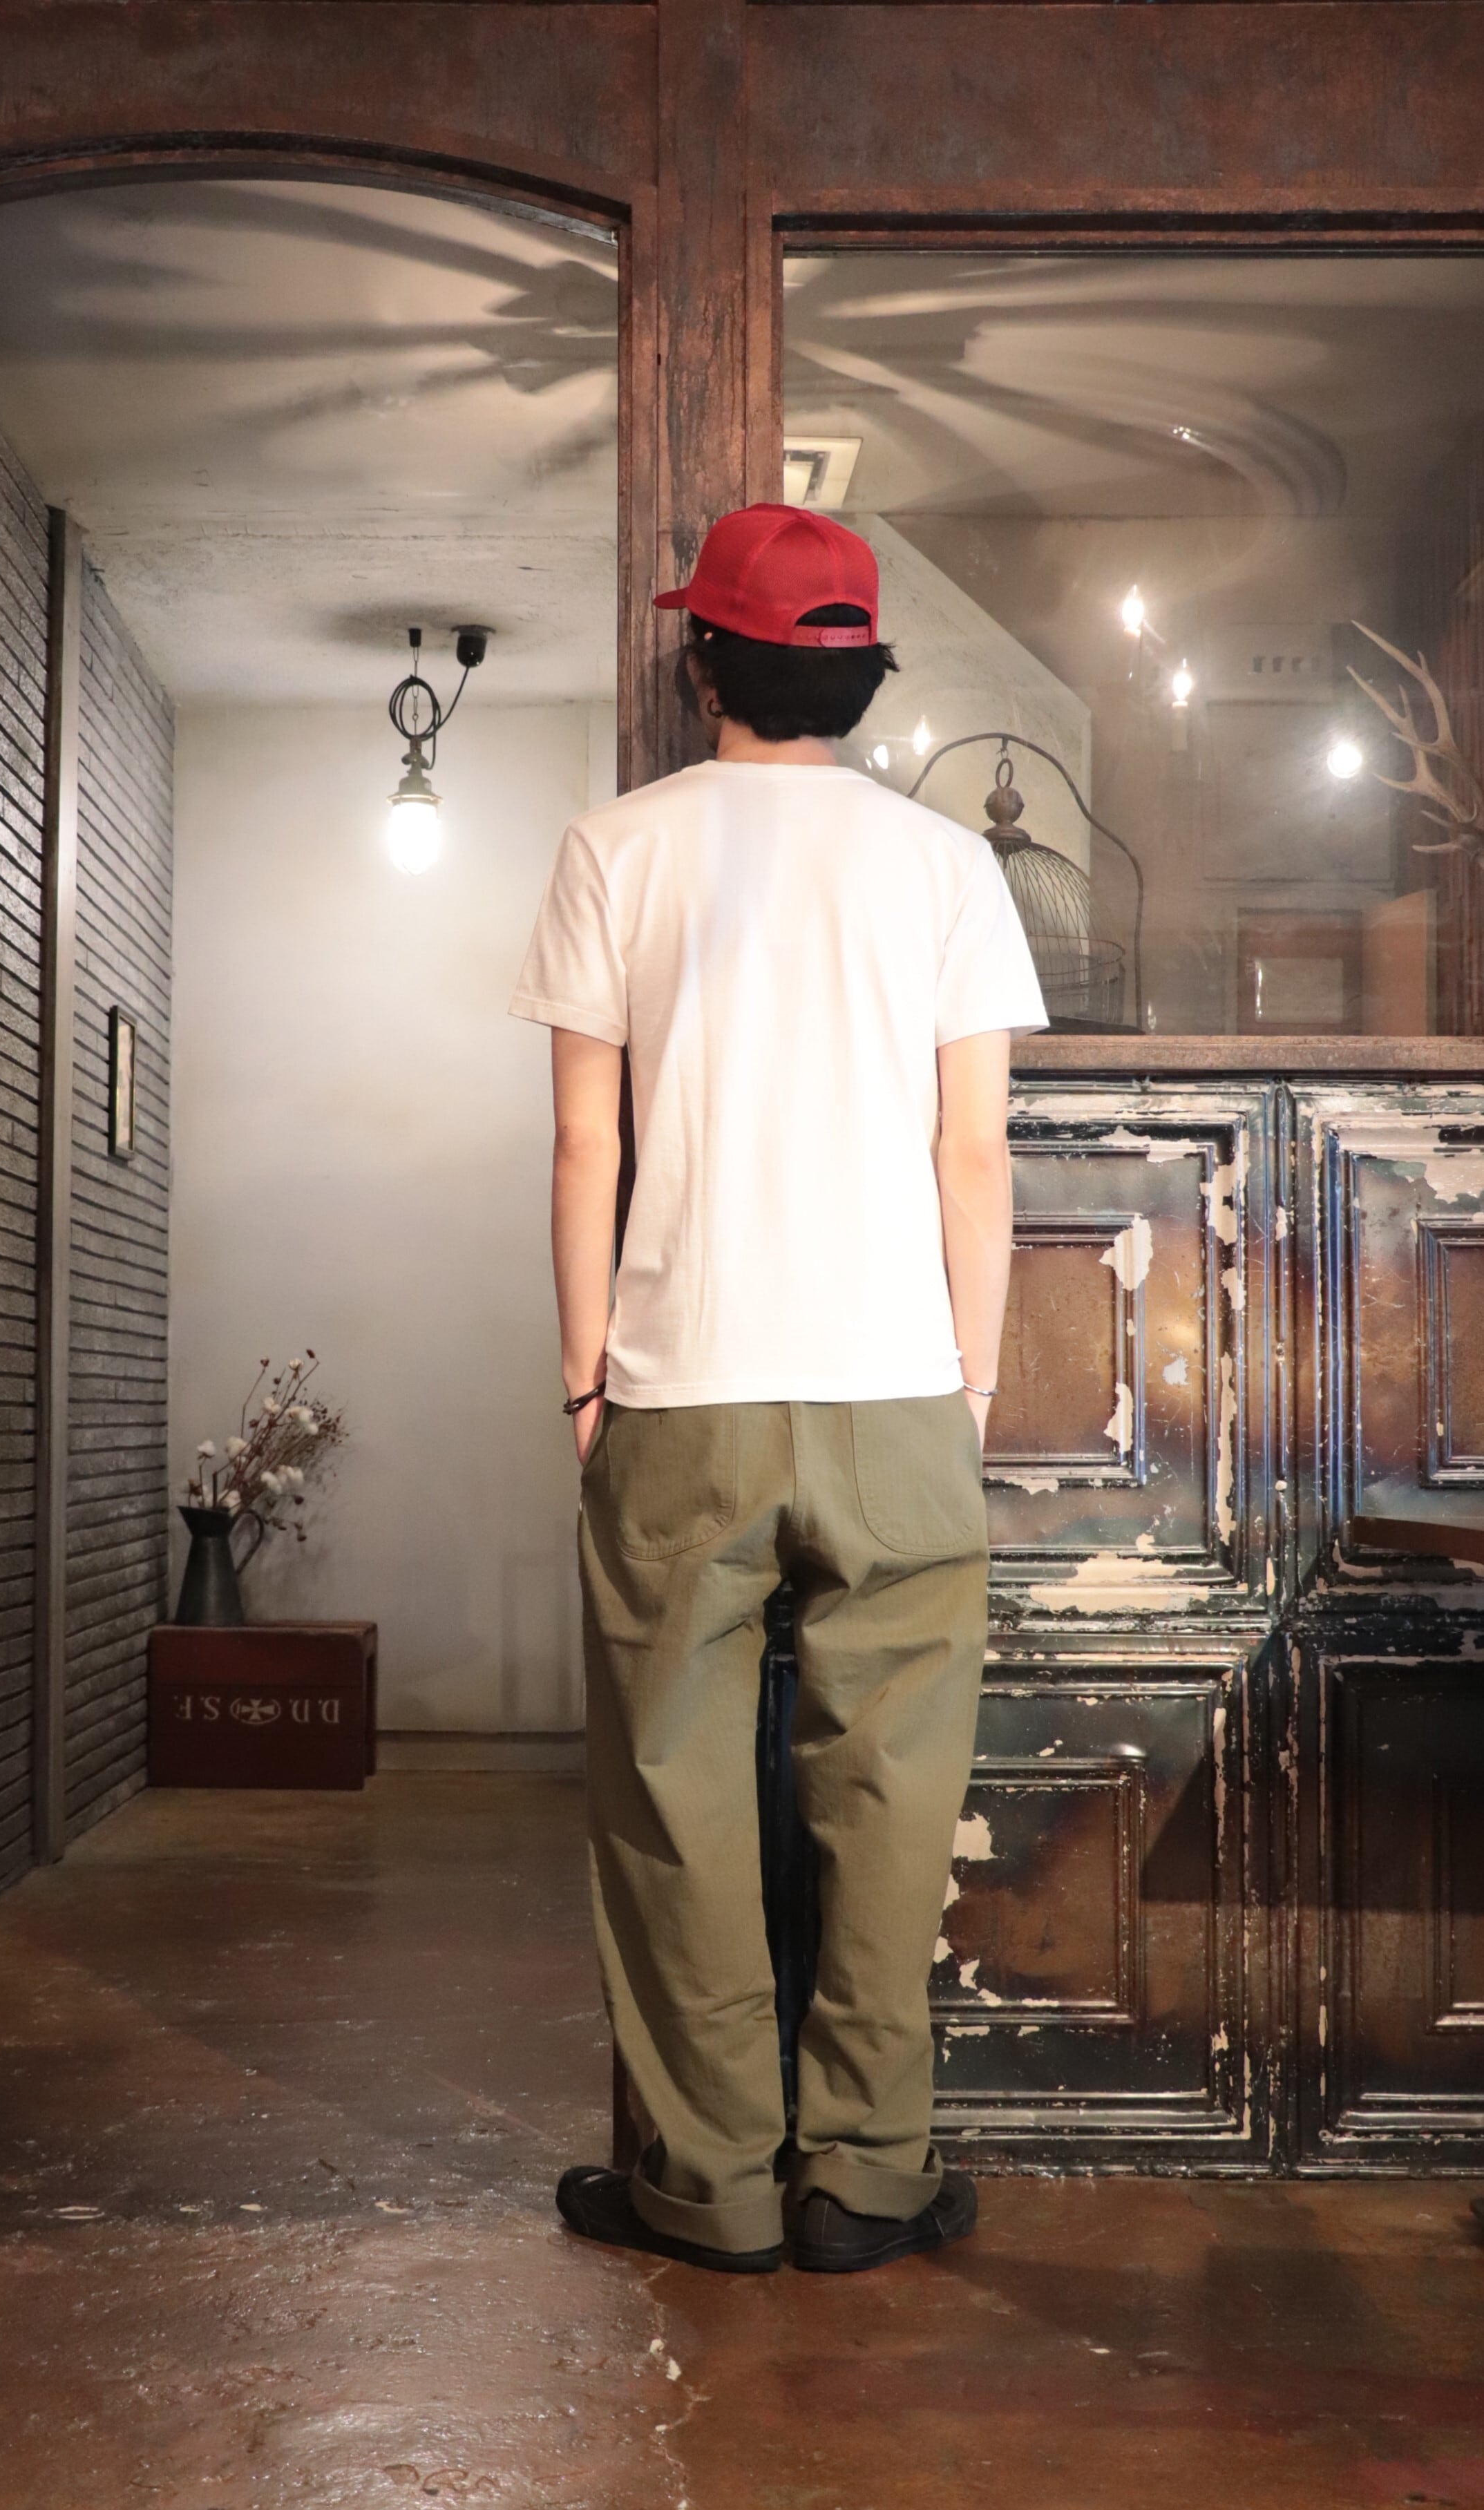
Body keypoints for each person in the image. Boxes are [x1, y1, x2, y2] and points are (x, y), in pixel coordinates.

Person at [508, 503, 1047, 2275]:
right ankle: (865, 2177)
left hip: (678, 1390)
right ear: (864, 676)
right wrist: (966, 1388)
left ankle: (712, 2184)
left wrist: (583, 1378)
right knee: (890, 1802)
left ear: (703, 667)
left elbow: (585, 1141)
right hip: (897, 1389)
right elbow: (974, 1156)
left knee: (673, 1795)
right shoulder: (946, 868)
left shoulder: (615, 847)